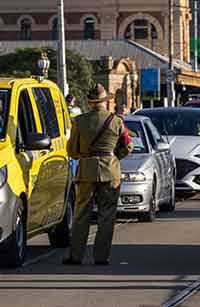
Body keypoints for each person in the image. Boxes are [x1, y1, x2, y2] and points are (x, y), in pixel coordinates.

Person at [63, 85, 130, 266]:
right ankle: (101, 256)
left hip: (86, 171)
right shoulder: (116, 121)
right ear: (105, 101)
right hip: (110, 172)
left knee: (81, 215)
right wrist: (114, 158)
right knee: (107, 216)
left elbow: (71, 150)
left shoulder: (79, 121)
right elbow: (127, 145)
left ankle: (76, 256)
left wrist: (83, 157)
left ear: (89, 102)